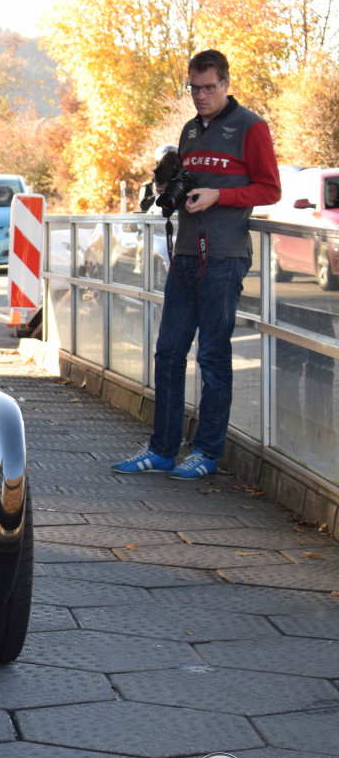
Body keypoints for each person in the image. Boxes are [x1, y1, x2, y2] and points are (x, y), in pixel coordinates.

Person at [113, 49, 280, 479]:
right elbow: (185, 183)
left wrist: (219, 195)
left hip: (225, 257)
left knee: (211, 356)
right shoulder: (189, 131)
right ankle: (162, 450)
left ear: (225, 84)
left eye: (209, 87)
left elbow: (270, 189)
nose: (201, 95)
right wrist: (166, 186)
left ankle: (206, 452)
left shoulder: (251, 127)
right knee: (167, 352)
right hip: (186, 254)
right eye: (194, 88)